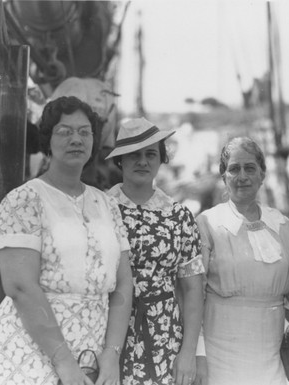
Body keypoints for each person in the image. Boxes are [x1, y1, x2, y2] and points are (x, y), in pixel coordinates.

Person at [0, 96, 133, 385]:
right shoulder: (24, 200)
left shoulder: (106, 204)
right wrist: (64, 363)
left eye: (84, 132)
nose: (76, 139)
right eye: (64, 131)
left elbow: (123, 283)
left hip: (92, 353)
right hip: (32, 351)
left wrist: (111, 354)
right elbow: (21, 287)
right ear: (47, 140)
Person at [195, 137, 289, 385]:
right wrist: (198, 355)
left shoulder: (282, 225)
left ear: (262, 174)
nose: (242, 176)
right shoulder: (207, 224)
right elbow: (192, 297)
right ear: (223, 176)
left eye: (250, 168)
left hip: (271, 357)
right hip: (219, 357)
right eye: (234, 169)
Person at [105, 117, 205, 385]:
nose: (142, 161)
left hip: (164, 335)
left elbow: (193, 289)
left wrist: (188, 352)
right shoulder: (100, 208)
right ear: (120, 161)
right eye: (133, 155)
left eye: (150, 154)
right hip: (108, 333)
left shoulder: (179, 216)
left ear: (161, 159)